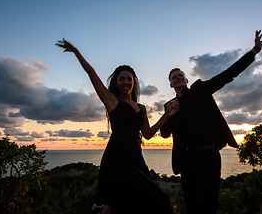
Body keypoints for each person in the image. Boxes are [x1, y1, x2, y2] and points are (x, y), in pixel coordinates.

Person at [56, 39, 178, 214]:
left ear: (134, 82)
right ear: (116, 82)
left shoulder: (142, 107)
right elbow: (91, 73)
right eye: (122, 79)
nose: (126, 82)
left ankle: (106, 209)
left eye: (130, 79)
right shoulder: (112, 101)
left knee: (143, 203)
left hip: (135, 159)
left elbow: (148, 134)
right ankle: (107, 207)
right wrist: (76, 52)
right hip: (116, 159)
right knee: (160, 200)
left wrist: (167, 115)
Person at [160, 30, 262, 214]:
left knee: (208, 206)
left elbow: (228, 75)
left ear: (186, 80)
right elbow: (164, 134)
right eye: (174, 78)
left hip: (209, 156)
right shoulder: (170, 105)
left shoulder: (200, 89)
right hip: (186, 161)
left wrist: (254, 51)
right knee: (192, 207)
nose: (178, 78)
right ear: (171, 84)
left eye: (180, 76)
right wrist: (169, 114)